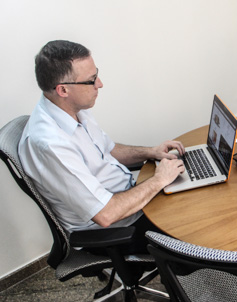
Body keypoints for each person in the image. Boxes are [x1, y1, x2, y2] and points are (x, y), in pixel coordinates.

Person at [19, 40, 185, 253]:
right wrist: (159, 180)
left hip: (131, 200)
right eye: (91, 80)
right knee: (197, 226)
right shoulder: (51, 145)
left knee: (196, 194)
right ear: (63, 90)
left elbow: (108, 149)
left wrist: (151, 152)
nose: (100, 84)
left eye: (96, 74)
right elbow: (105, 214)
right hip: (115, 231)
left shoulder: (74, 107)